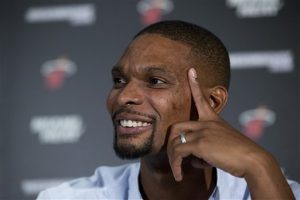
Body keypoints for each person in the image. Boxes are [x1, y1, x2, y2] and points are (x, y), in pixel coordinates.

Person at [37, 20, 300, 199]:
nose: (124, 96)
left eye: (155, 81)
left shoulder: (269, 189)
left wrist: (260, 164)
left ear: (213, 102)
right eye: (119, 81)